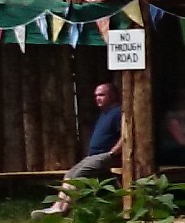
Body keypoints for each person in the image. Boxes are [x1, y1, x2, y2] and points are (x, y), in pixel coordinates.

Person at [35, 82, 125, 215]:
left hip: (107, 156)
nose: (97, 98)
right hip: (94, 156)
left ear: (112, 96)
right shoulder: (105, 113)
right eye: (96, 96)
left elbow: (125, 135)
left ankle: (64, 209)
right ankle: (57, 207)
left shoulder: (118, 112)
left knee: (78, 176)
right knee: (69, 175)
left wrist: (114, 152)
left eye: (101, 95)